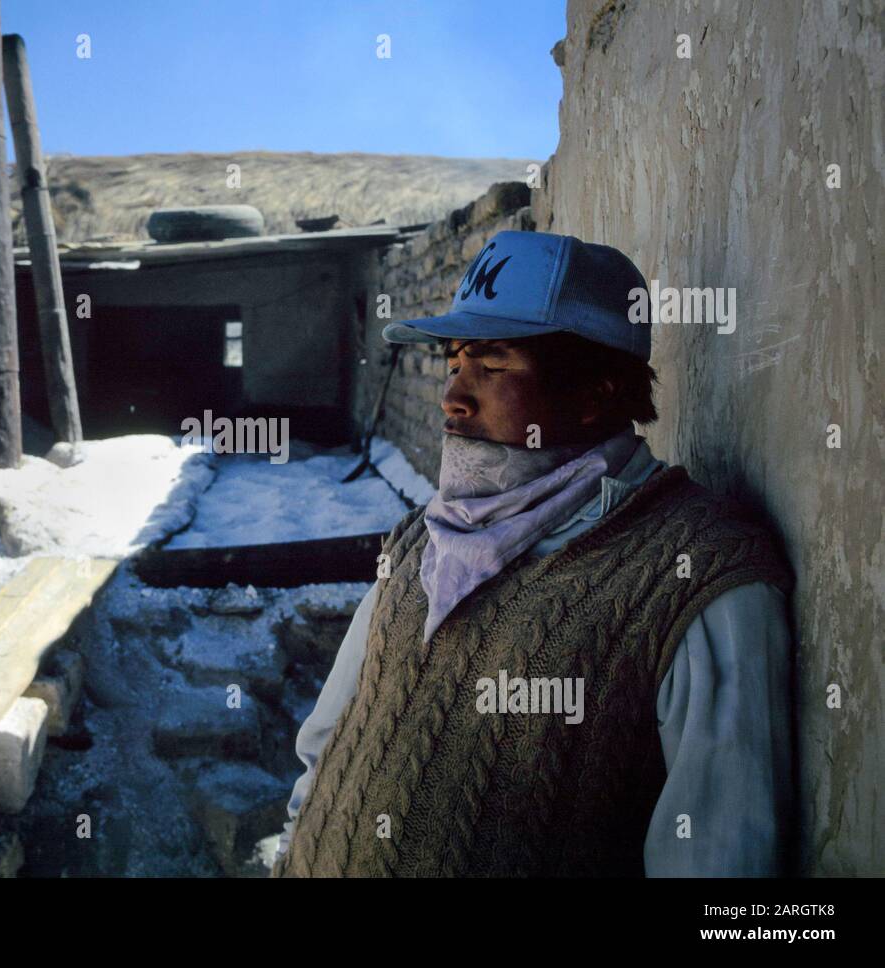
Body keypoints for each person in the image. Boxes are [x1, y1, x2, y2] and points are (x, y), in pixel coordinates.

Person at [270, 231, 795, 877]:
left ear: (596, 390)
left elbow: (718, 860)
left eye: (493, 366)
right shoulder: (422, 537)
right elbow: (331, 737)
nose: (453, 397)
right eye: (454, 362)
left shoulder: (693, 572)